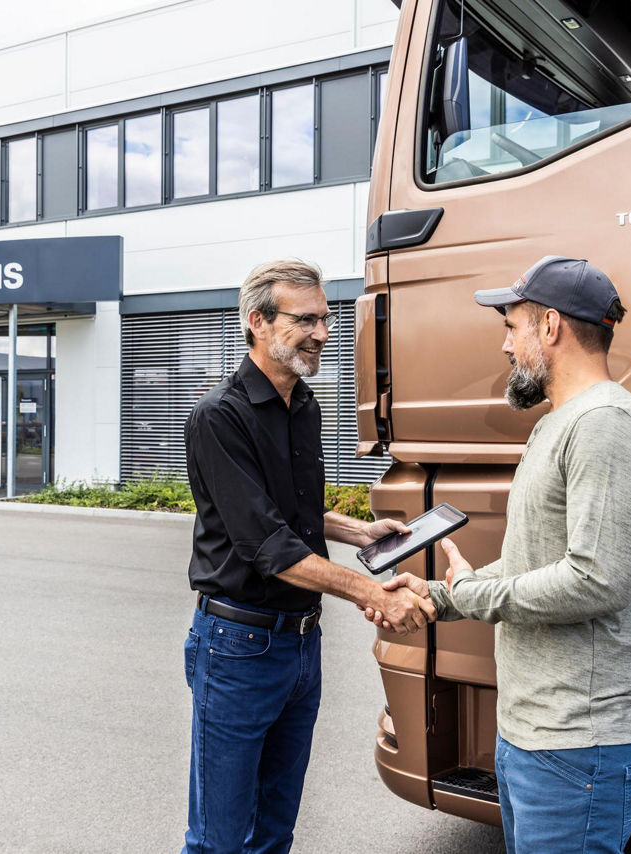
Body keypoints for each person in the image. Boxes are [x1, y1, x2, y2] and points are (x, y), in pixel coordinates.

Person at [371, 255, 631, 854]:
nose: (506, 346)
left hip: (578, 742)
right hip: (534, 734)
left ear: (550, 326)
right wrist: (443, 598)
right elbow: (535, 560)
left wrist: (477, 596)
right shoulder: (558, 424)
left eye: (512, 326)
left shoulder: (606, 423)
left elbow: (596, 579)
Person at [182, 259, 435, 854]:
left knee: (275, 829)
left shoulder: (305, 406)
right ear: (258, 322)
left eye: (326, 317)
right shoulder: (220, 417)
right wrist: (370, 591)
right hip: (238, 648)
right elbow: (266, 544)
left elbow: (291, 513)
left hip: (300, 644)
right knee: (220, 837)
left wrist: (361, 532)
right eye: (306, 320)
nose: (323, 332)